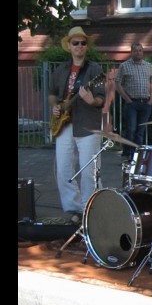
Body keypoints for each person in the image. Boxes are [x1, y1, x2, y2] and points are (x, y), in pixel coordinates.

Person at [47, 26, 106, 224]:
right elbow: (52, 94)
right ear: (69, 46)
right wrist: (55, 107)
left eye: (83, 43)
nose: (80, 46)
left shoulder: (95, 70)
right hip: (64, 125)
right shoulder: (60, 70)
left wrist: (91, 101)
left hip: (88, 125)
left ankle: (91, 209)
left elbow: (101, 99)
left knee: (89, 170)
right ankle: (74, 209)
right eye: (76, 43)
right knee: (63, 169)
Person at [114, 42, 152, 160]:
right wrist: (127, 99)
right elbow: (117, 83)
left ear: (143, 52)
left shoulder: (148, 66)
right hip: (132, 102)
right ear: (131, 52)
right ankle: (128, 153)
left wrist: (151, 98)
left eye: (140, 50)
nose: (138, 52)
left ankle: (137, 155)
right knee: (131, 129)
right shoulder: (124, 66)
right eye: (135, 50)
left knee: (141, 130)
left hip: (146, 102)